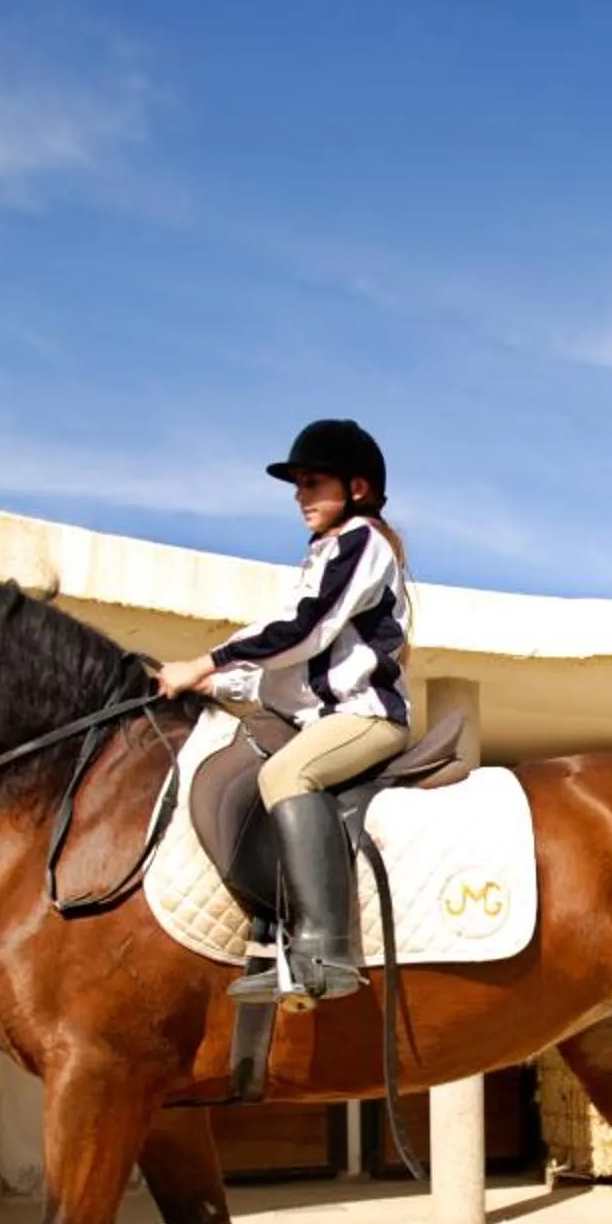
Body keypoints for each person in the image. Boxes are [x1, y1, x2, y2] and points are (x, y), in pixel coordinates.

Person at [154, 419, 412, 1008]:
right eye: (297, 485)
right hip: (320, 718)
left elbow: (303, 630)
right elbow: (292, 668)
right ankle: (269, 931)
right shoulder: (325, 552)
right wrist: (215, 680)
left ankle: (324, 954)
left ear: (357, 488)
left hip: (366, 718)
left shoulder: (362, 541)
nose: (300, 496)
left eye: (313, 483)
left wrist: (205, 661)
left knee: (286, 775)